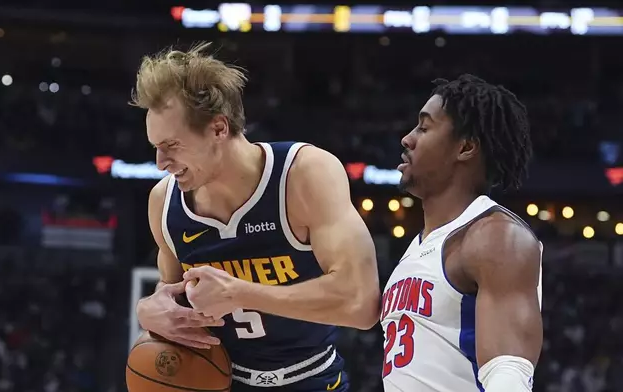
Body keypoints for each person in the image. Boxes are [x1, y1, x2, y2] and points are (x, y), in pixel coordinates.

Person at [132, 42, 380, 392]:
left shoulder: (303, 174)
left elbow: (361, 303)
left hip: (310, 379)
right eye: (155, 147)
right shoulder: (164, 201)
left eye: (171, 145)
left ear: (219, 129)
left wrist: (241, 293)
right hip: (223, 381)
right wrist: (151, 312)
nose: (160, 162)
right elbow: (173, 300)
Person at [381, 74, 543, 392]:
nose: (407, 139)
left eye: (424, 128)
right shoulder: (420, 244)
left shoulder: (496, 237)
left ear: (466, 147)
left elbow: (508, 373)